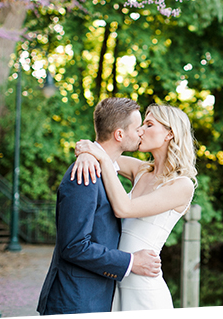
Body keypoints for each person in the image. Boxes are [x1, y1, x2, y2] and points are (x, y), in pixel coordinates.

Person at [36, 97, 163, 314]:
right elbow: (74, 246)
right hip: (75, 301)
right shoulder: (84, 175)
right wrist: (131, 262)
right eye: (137, 127)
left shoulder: (105, 169)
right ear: (119, 134)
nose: (142, 131)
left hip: (95, 298)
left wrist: (87, 150)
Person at [69, 104, 198, 311]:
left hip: (145, 289)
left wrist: (98, 156)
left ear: (169, 133)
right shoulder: (141, 170)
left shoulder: (181, 185)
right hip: (117, 283)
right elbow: (104, 151)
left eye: (148, 124)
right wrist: (86, 154)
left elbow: (124, 209)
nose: (140, 130)